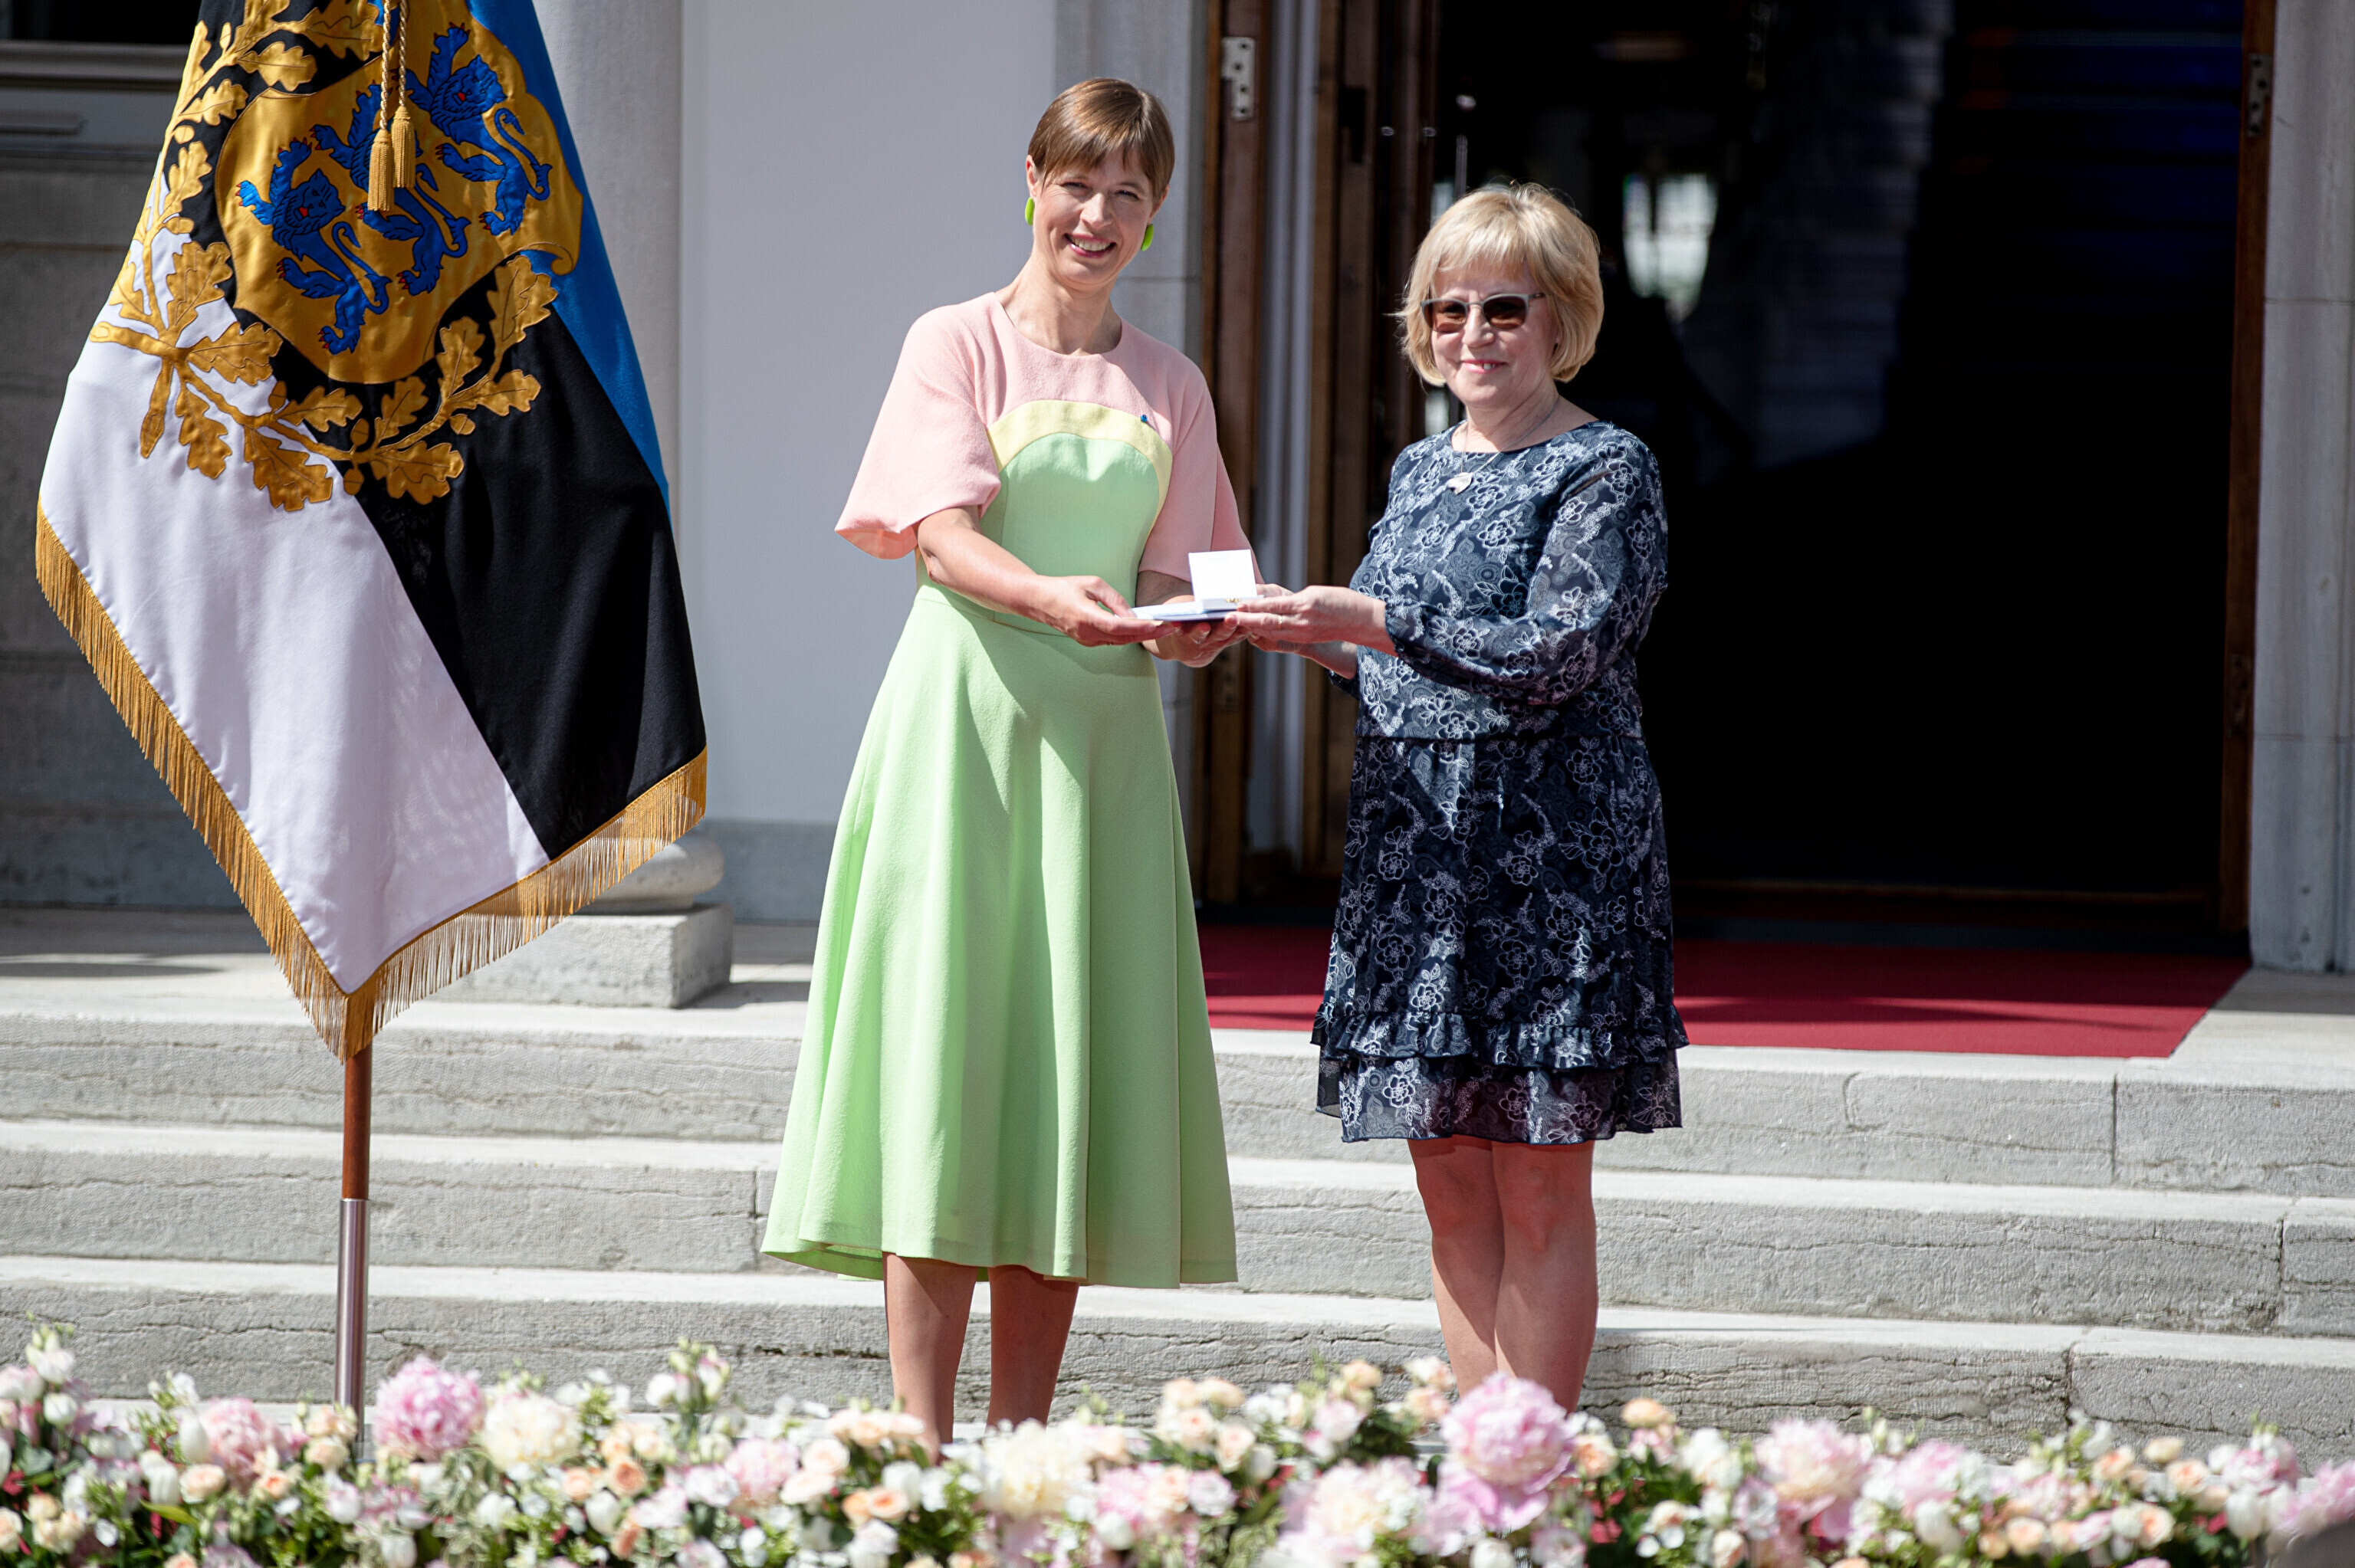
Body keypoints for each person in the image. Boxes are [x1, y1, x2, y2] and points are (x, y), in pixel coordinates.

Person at [764, 79, 1250, 1448]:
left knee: (1059, 1083)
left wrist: (1204, 626)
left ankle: (1020, 1449)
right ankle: (921, 1449)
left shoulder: (1173, 383)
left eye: (1127, 192)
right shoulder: (955, 340)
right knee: (947, 1063)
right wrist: (1054, 598)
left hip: (1103, 758)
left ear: (1156, 213)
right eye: (1076, 183)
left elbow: (1192, 572)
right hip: (962, 737)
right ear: (1028, 182)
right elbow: (939, 535)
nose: (1097, 214)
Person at [1230, 184, 1684, 1409]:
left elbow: (1561, 651)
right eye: (1448, 310)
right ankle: (1484, 1460)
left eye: (1503, 309)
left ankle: (1533, 1466)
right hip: (1417, 855)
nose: (1472, 333)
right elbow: (1404, 651)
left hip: (1550, 858)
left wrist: (1371, 620)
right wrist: (1306, 635)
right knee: (1444, 1170)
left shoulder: (1607, 466)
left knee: (1536, 1175)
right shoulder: (1420, 468)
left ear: (1563, 319)